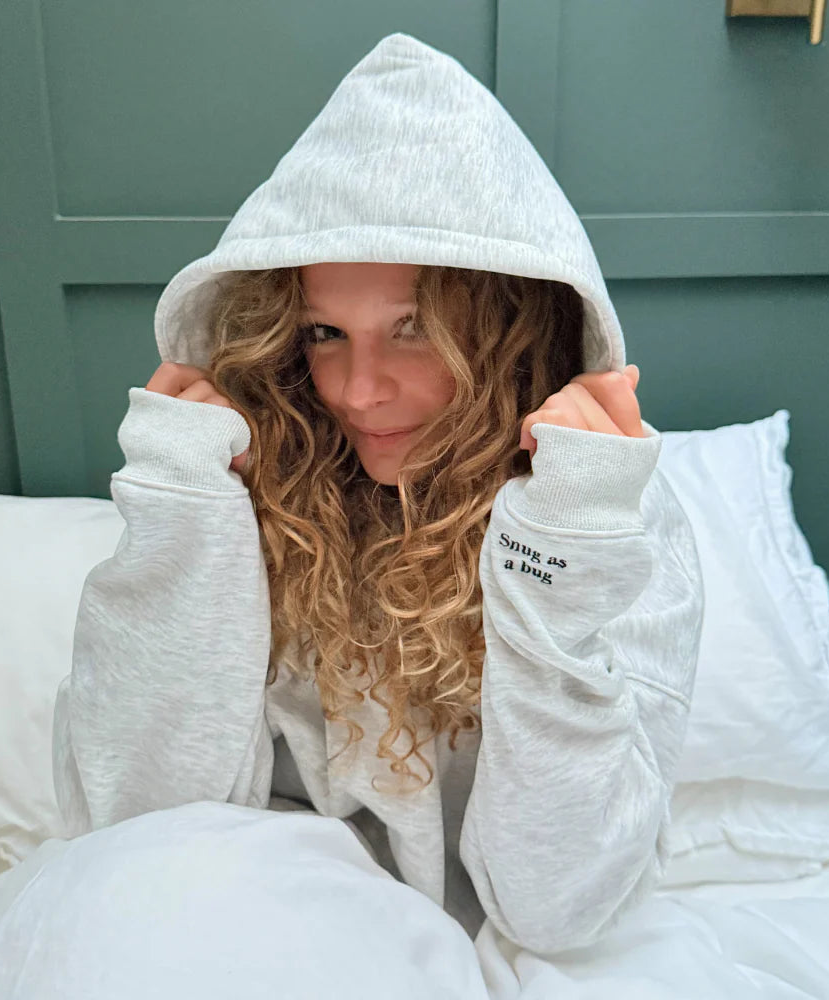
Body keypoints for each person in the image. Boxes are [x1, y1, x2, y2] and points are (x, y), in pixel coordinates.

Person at [51, 31, 704, 959]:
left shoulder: (611, 522)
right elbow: (134, 830)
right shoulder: (250, 480)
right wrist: (182, 521)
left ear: (513, 336)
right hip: (241, 933)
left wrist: (556, 557)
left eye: (414, 329)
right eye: (324, 333)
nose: (358, 391)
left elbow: (555, 908)